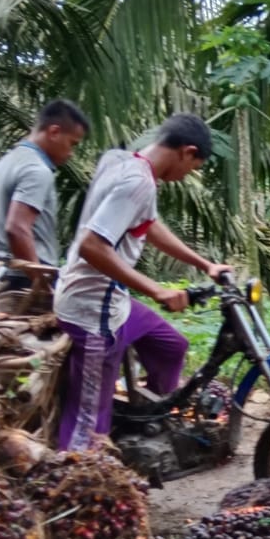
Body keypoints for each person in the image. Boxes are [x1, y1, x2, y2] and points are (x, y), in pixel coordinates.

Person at [54, 113, 230, 451]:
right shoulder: (139, 182)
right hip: (93, 312)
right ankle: (73, 479)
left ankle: (144, 424)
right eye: (192, 167)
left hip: (114, 302)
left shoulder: (121, 162)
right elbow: (91, 246)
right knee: (88, 424)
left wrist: (203, 263)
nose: (184, 177)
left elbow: (146, 224)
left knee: (170, 346)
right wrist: (158, 289)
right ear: (187, 151)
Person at [0, 100, 89, 286]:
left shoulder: (6, 161)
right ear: (54, 132)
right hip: (21, 280)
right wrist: (41, 284)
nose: (71, 153)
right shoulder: (36, 170)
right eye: (72, 143)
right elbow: (16, 229)